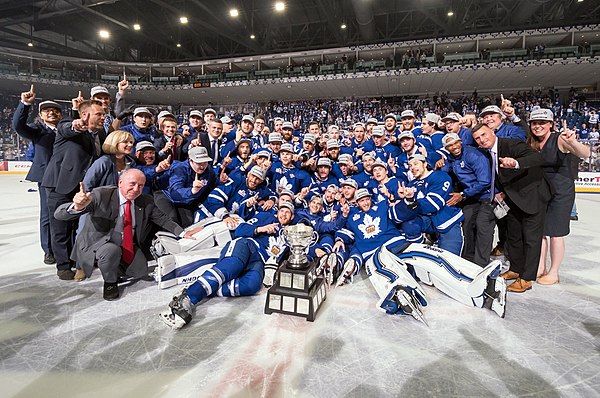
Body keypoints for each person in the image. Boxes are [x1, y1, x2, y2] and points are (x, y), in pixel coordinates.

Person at [332, 189, 506, 324]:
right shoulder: (351, 218)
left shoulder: (382, 207)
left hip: (398, 244)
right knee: (382, 268)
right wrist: (340, 242)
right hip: (375, 253)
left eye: (366, 198)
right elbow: (348, 238)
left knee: (435, 258)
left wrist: (408, 200)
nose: (365, 202)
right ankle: (398, 294)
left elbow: (400, 213)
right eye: (361, 200)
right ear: (356, 202)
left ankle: (477, 280)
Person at [54, 169, 201, 300]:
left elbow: (162, 218)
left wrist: (182, 233)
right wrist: (77, 206)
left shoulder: (146, 201)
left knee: (139, 270)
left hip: (126, 243)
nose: (136, 189)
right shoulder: (100, 195)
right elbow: (59, 215)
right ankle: (110, 283)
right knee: (111, 251)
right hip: (100, 243)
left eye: (141, 185)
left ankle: (113, 268)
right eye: (132, 184)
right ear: (120, 182)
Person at [159, 202, 298, 329]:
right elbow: (239, 230)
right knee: (231, 267)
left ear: (292, 217)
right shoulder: (265, 217)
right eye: (282, 210)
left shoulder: (291, 235)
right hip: (246, 245)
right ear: (277, 212)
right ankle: (188, 298)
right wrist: (260, 229)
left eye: (287, 212)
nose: (283, 214)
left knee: (252, 285)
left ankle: (199, 288)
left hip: (259, 260)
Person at [471, 123, 551, 293]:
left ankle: (527, 278)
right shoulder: (487, 152)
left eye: (484, 135)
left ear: (492, 132)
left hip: (533, 196)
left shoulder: (511, 144)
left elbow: (537, 158)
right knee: (513, 236)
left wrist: (515, 162)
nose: (482, 139)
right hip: (512, 199)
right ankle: (515, 269)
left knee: (531, 239)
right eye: (478, 138)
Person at [41, 99, 107, 280]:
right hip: (60, 184)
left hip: (82, 188)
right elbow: (68, 128)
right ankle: (63, 266)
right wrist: (77, 125)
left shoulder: (100, 135)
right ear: (85, 115)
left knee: (76, 225)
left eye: (103, 114)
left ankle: (73, 259)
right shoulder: (68, 125)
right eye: (99, 114)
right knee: (60, 225)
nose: (103, 117)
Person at [527, 110, 590, 284]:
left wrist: (573, 142)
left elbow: (585, 154)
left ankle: (554, 272)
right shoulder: (533, 142)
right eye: (534, 123)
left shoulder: (560, 139)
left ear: (550, 125)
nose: (537, 126)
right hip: (542, 191)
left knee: (556, 233)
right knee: (540, 232)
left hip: (561, 193)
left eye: (542, 123)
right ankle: (541, 268)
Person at [12, 84, 61, 265]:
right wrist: (24, 104)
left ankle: (63, 247)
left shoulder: (65, 130)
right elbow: (18, 125)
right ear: (40, 115)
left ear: (61, 115)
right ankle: (48, 250)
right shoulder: (37, 130)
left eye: (55, 111)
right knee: (47, 214)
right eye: (47, 111)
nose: (51, 113)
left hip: (65, 177)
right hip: (46, 179)